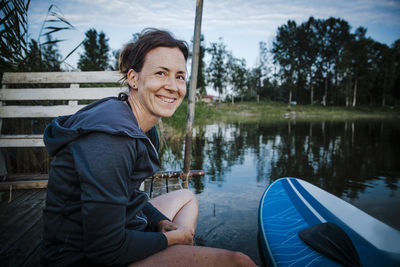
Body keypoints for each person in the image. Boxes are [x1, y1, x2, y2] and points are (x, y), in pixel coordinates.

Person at [41, 28, 256, 267]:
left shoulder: (142, 127)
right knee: (239, 262)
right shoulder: (112, 140)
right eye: (161, 73)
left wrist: (159, 221)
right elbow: (104, 250)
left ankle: (179, 252)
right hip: (80, 256)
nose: (173, 86)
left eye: (180, 76)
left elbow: (129, 194)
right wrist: (169, 239)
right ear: (134, 78)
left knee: (186, 197)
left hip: (120, 224)